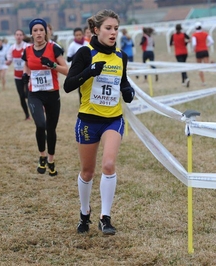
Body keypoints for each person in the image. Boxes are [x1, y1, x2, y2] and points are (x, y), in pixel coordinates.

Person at [63, 9, 135, 235]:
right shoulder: (85, 53)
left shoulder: (121, 57)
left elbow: (122, 83)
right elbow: (68, 85)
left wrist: (127, 91)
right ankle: (85, 213)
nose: (113, 33)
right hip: (88, 120)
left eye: (116, 29)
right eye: (108, 28)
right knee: (87, 172)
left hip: (113, 120)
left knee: (109, 165)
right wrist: (89, 72)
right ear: (96, 30)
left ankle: (105, 217)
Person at [22, 18, 68, 176]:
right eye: (35, 30)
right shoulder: (27, 50)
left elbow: (67, 70)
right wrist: (25, 75)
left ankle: (51, 159)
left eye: (41, 30)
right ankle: (42, 155)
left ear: (46, 32)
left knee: (51, 128)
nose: (38, 33)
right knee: (40, 125)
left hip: (52, 94)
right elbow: (27, 64)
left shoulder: (54, 48)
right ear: (31, 33)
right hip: (34, 94)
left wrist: (53, 65)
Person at [6, 29, 31, 120]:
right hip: (17, 75)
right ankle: (27, 115)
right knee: (21, 96)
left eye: (20, 35)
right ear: (14, 36)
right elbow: (9, 61)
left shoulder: (28, 46)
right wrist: (7, 62)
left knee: (29, 95)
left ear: (23, 36)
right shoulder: (11, 48)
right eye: (17, 35)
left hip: (28, 74)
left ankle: (35, 111)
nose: (19, 36)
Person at [192, 22, 214, 86]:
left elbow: (194, 44)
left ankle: (203, 81)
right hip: (205, 50)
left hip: (198, 51)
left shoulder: (194, 35)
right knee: (206, 65)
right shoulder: (205, 33)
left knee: (199, 67)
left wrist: (194, 49)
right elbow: (212, 41)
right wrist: (207, 45)